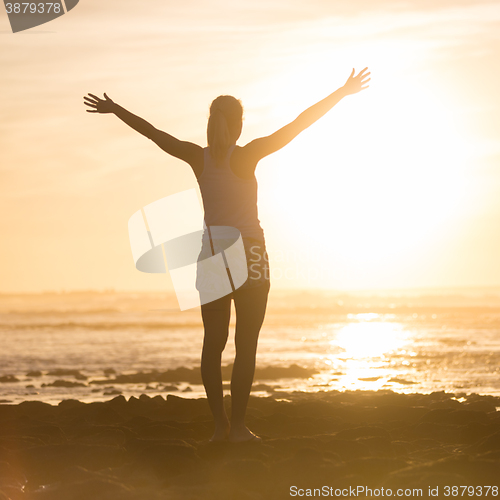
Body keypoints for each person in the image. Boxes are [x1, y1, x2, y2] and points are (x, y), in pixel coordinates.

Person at [83, 67, 370, 442]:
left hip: (213, 257)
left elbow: (154, 134)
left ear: (210, 124)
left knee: (212, 345)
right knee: (245, 345)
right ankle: (238, 428)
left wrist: (116, 109)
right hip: (250, 255)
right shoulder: (249, 155)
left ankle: (219, 428)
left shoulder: (196, 158)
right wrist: (342, 92)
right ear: (237, 126)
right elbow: (300, 123)